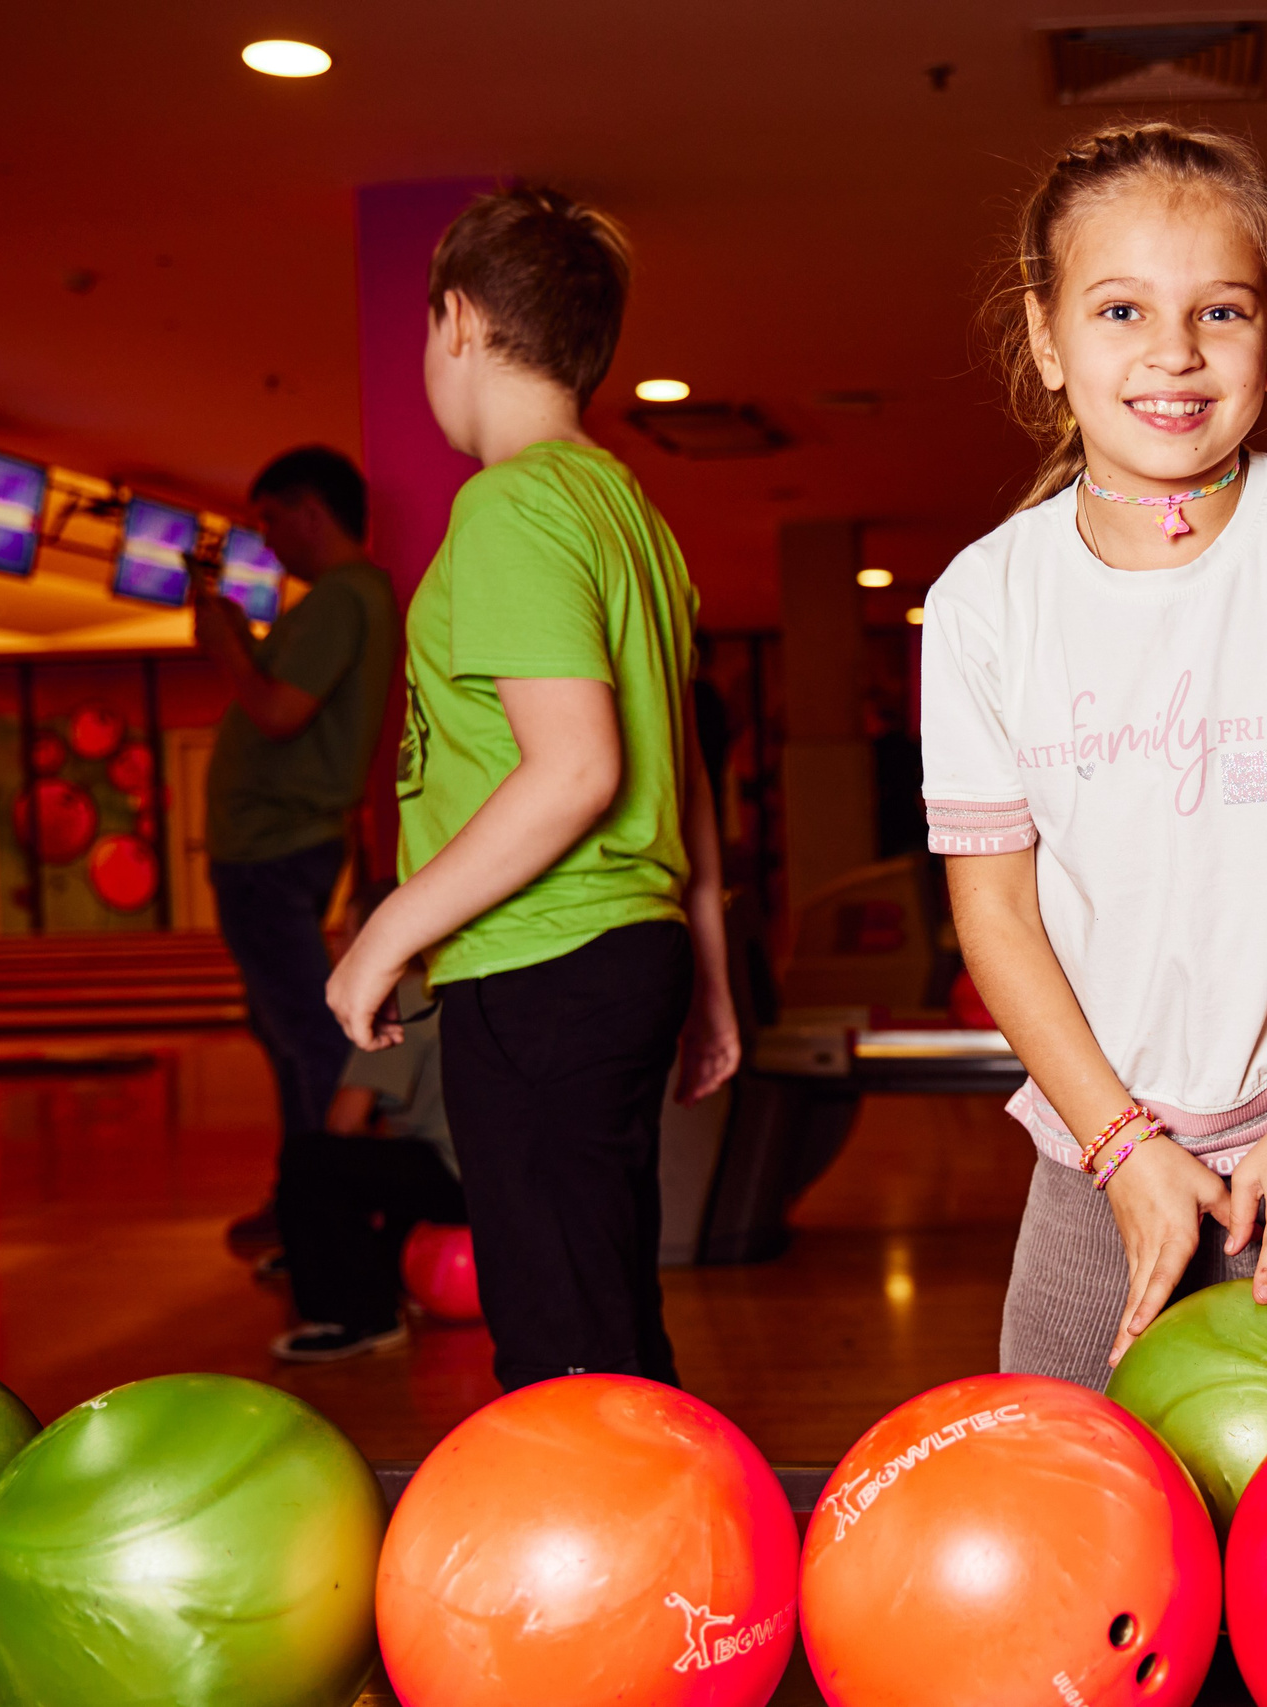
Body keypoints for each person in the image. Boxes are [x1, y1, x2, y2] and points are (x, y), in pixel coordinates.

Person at [923, 123, 1267, 1387]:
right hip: (1103, 1152)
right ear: (1046, 339)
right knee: (1074, 1488)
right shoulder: (980, 602)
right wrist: (1120, 1149)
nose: (1172, 352)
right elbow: (994, 913)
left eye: (1218, 311)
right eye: (1120, 310)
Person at [324, 186, 739, 1391]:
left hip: (542, 959)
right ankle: (656, 1512)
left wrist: (382, 935)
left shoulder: (510, 505)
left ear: (456, 320)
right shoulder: (630, 516)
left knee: (563, 1345)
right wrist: (709, 978)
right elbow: (684, 778)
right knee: (601, 1312)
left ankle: (617, 1521)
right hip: (618, 949)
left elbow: (579, 769)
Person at [196, 447, 399, 1258]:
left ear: (312, 511)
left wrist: (228, 645)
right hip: (284, 844)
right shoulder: (351, 598)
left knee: (309, 1036)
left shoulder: (343, 596)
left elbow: (281, 711)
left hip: (273, 849)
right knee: (287, 1030)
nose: (269, 540)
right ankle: (305, 1202)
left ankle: (333, 1222)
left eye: (272, 519)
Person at [271, 965, 464, 1361]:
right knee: (393, 1163)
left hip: (460, 1180)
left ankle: (356, 1318)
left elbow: (344, 1121)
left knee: (310, 1162)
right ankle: (393, 1279)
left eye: (341, 937)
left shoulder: (404, 997)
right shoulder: (466, 984)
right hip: (517, 1180)